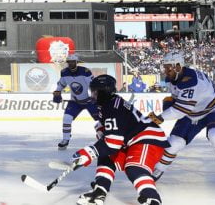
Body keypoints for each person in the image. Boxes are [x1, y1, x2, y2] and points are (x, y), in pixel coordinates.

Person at [148, 52, 215, 196]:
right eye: (165, 67)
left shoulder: (191, 81)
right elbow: (180, 102)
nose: (165, 70)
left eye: (168, 67)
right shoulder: (173, 78)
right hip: (192, 113)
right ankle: (158, 170)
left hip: (213, 110)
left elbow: (179, 110)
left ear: (178, 66)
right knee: (174, 143)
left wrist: (159, 118)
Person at [71, 75, 168, 205]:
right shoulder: (108, 103)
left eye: (95, 92)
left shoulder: (113, 107)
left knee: (134, 168)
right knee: (104, 153)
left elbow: (113, 143)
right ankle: (100, 190)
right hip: (132, 139)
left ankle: (152, 199)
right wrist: (100, 131)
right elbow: (109, 130)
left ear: (103, 92)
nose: (92, 95)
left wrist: (88, 152)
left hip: (147, 137)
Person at [53, 54, 99, 149]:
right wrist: (57, 91)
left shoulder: (85, 72)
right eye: (69, 62)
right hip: (74, 102)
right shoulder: (64, 72)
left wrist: (95, 96)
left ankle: (105, 137)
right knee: (66, 118)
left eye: (72, 62)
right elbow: (62, 84)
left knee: (100, 119)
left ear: (76, 62)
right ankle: (65, 139)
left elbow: (93, 85)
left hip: (89, 101)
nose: (70, 64)